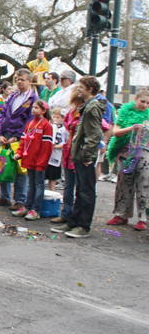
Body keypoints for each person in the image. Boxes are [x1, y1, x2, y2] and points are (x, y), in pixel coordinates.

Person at [52, 77, 105, 238]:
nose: (78, 89)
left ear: (90, 89)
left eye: (81, 87)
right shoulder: (85, 106)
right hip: (80, 153)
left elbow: (94, 133)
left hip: (85, 155)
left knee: (86, 191)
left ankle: (83, 225)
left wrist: (88, 155)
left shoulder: (93, 107)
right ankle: (73, 221)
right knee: (79, 190)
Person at [0, 68, 38, 210]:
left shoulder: (33, 99)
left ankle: (20, 199)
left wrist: (17, 137)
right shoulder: (13, 96)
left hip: (20, 138)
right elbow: (2, 114)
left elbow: (29, 122)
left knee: (19, 169)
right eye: (17, 79)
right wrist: (0, 134)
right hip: (5, 135)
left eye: (22, 79)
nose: (19, 82)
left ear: (30, 81)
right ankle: (4, 197)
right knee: (3, 164)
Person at [106, 88, 149, 231]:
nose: (145, 105)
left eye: (148, 103)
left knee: (144, 184)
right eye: (142, 101)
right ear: (135, 99)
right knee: (124, 182)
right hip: (126, 151)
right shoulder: (124, 112)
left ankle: (143, 218)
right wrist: (132, 128)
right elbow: (116, 132)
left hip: (145, 152)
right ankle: (121, 214)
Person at [13, 100, 54, 221]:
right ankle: (27, 206)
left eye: (36, 108)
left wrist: (42, 162)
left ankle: (36, 209)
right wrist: (19, 153)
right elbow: (23, 141)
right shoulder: (30, 124)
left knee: (39, 184)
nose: (33, 109)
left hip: (39, 161)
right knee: (31, 184)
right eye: (33, 107)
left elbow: (47, 146)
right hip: (29, 159)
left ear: (44, 110)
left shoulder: (46, 125)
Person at [53, 87, 84, 225]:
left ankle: (77, 216)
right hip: (68, 150)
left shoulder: (86, 111)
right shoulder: (71, 111)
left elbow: (103, 126)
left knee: (80, 186)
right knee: (68, 184)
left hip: (80, 151)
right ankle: (66, 213)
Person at [46, 108, 67, 193]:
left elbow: (63, 143)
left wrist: (54, 146)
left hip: (56, 155)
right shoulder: (49, 126)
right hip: (47, 155)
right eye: (54, 117)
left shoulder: (63, 129)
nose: (55, 119)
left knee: (53, 177)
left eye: (58, 117)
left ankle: (52, 192)